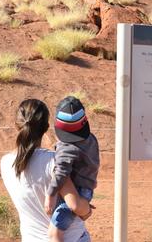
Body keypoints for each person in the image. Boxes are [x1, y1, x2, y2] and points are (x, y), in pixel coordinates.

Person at [0, 98, 92, 241]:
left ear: (16, 124)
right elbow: (75, 205)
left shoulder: (5, 162)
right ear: (47, 126)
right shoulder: (55, 162)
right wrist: (87, 209)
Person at [45, 96, 100, 242]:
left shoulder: (66, 147)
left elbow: (61, 172)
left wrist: (51, 194)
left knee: (54, 233)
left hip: (75, 192)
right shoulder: (91, 138)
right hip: (87, 190)